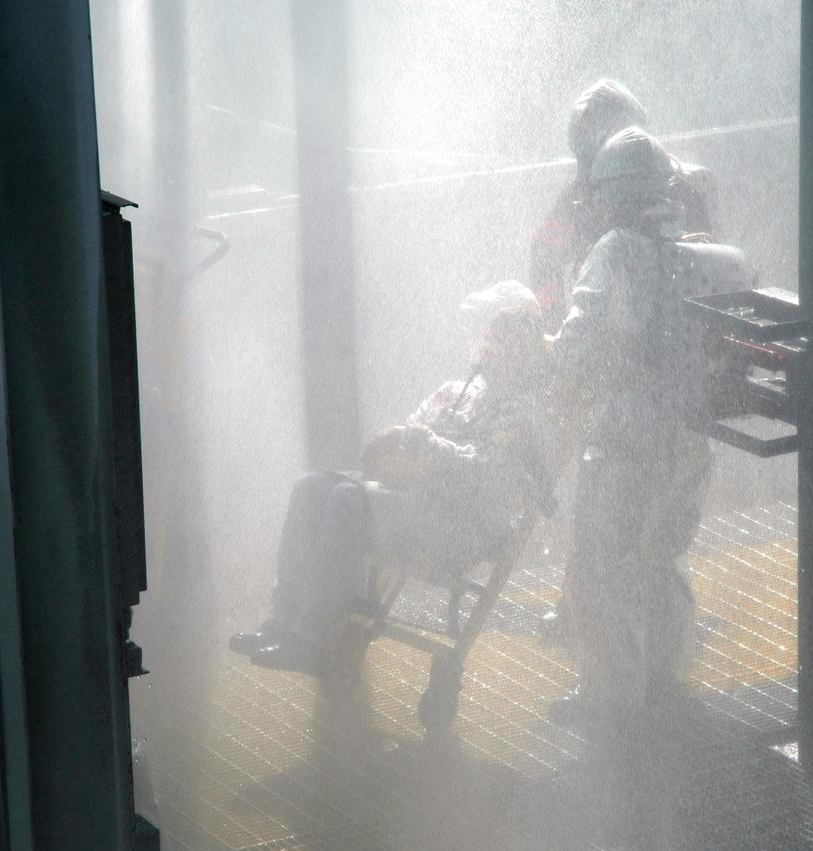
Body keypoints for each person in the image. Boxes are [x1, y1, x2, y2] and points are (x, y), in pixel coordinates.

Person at [551, 126, 753, 845]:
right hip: (688, 442)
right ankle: (668, 677)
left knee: (604, 568)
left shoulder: (612, 253)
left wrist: (547, 356)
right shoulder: (704, 257)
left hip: (628, 440)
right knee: (661, 557)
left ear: (611, 196)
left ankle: (616, 710)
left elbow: (579, 342)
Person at [229, 282, 557, 675]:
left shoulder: (522, 414)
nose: (488, 344)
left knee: (347, 502)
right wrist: (396, 449)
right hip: (417, 500)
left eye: (501, 338)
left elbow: (482, 474)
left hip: (458, 525)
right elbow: (412, 429)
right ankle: (283, 621)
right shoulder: (461, 390)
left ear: (522, 352)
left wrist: (420, 443)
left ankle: (313, 639)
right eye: (491, 333)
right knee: (311, 487)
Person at [529, 78, 718, 333]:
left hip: (675, 332)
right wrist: (555, 326)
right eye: (584, 160)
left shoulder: (686, 190)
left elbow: (710, 273)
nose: (586, 177)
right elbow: (543, 257)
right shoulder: (577, 198)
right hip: (612, 335)